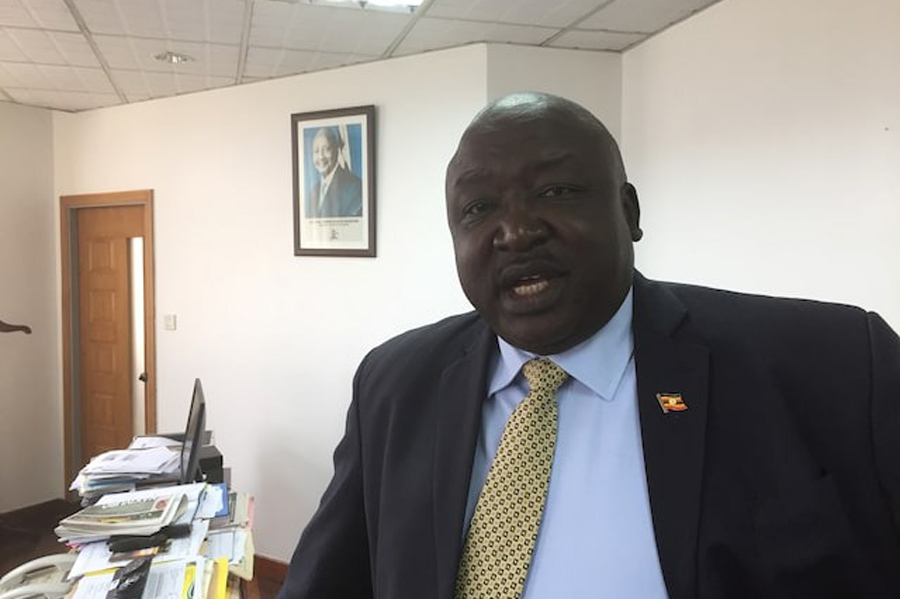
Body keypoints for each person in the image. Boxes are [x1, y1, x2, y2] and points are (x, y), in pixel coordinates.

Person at [276, 93, 900, 598]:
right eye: (479, 207)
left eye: (557, 192)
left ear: (628, 211)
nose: (516, 231)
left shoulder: (838, 364)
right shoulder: (393, 384)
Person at [306, 127, 363, 218]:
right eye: (316, 151)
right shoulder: (313, 192)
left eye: (326, 149)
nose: (321, 157)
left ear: (337, 150)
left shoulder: (354, 187)